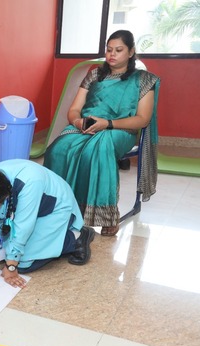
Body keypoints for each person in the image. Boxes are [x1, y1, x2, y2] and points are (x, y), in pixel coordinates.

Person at [43, 30, 160, 237]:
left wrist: (107, 123)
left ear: (131, 52)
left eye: (118, 50)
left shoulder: (143, 80)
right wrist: (78, 121)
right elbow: (74, 109)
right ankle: (59, 208)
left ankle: (106, 215)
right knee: (58, 149)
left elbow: (142, 119)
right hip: (86, 126)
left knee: (97, 148)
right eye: (108, 50)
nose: (112, 54)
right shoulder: (95, 75)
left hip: (120, 129)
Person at [0, 159, 95, 288]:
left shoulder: (29, 183)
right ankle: (48, 244)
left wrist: (11, 267)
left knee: (22, 263)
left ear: (5, 197)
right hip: (24, 210)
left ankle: (76, 237)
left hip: (53, 208)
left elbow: (23, 228)